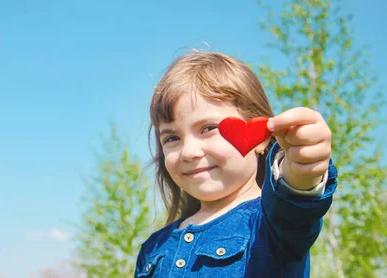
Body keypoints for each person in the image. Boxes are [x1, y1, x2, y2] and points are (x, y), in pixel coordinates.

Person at [134, 51, 338, 277]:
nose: (188, 152)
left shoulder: (273, 224)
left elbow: (294, 206)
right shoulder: (153, 249)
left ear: (261, 136)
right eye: (172, 138)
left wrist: (303, 169)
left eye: (209, 128)